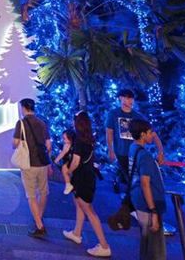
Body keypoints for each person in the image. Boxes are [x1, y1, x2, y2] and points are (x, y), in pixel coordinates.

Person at [64, 111, 111, 257]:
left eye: (74, 120)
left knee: (89, 210)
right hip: (87, 176)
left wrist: (68, 170)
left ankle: (104, 245)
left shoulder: (79, 140)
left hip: (82, 178)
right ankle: (76, 233)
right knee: (79, 203)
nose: (72, 123)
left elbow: (76, 162)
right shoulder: (89, 139)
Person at [106, 89, 165, 193]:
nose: (131, 100)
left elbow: (152, 133)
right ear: (120, 98)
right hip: (121, 152)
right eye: (127, 97)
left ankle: (121, 182)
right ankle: (131, 201)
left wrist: (160, 151)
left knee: (135, 178)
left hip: (136, 153)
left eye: (132, 98)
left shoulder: (138, 116)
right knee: (132, 180)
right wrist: (110, 150)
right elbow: (109, 132)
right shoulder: (113, 114)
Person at [12, 98, 52, 238]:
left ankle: (39, 226)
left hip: (29, 164)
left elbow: (15, 143)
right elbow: (48, 145)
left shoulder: (21, 123)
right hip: (42, 162)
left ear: (24, 108)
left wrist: (16, 144)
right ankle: (38, 217)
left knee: (31, 195)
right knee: (43, 192)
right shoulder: (42, 123)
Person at [129, 119, 167, 259]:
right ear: (143, 134)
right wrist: (154, 211)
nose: (153, 135)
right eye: (150, 133)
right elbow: (145, 184)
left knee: (145, 242)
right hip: (148, 203)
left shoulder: (133, 148)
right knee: (154, 247)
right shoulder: (145, 156)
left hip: (138, 200)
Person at [53, 129, 76, 195]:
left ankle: (69, 184)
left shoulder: (76, 146)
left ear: (70, 139)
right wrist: (56, 160)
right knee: (64, 168)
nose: (63, 140)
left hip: (75, 162)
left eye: (64, 138)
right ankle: (68, 184)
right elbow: (62, 153)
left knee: (64, 167)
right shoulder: (66, 146)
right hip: (69, 161)